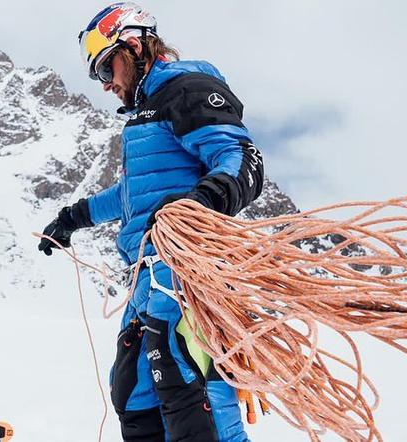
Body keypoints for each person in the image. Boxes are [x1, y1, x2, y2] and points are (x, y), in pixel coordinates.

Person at [36, 3, 264, 441]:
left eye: (107, 68)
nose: (106, 85)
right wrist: (72, 219)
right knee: (133, 392)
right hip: (146, 277)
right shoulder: (145, 115)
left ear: (135, 46)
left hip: (188, 273)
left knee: (188, 383)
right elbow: (131, 197)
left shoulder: (188, 89)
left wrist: (196, 204)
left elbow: (240, 160)